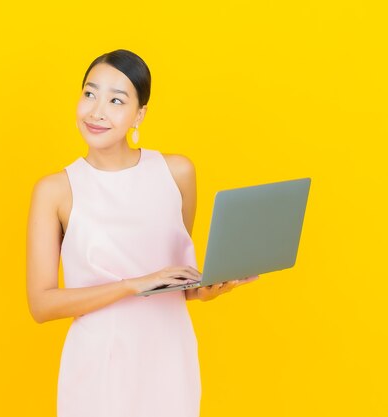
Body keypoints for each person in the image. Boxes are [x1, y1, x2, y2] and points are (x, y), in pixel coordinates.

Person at [26, 49, 259, 417]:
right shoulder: (56, 190)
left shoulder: (176, 173)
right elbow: (42, 305)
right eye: (90, 94)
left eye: (116, 100)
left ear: (139, 115)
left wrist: (205, 289)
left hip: (169, 357)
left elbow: (175, 282)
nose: (97, 111)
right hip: (99, 363)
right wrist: (132, 284)